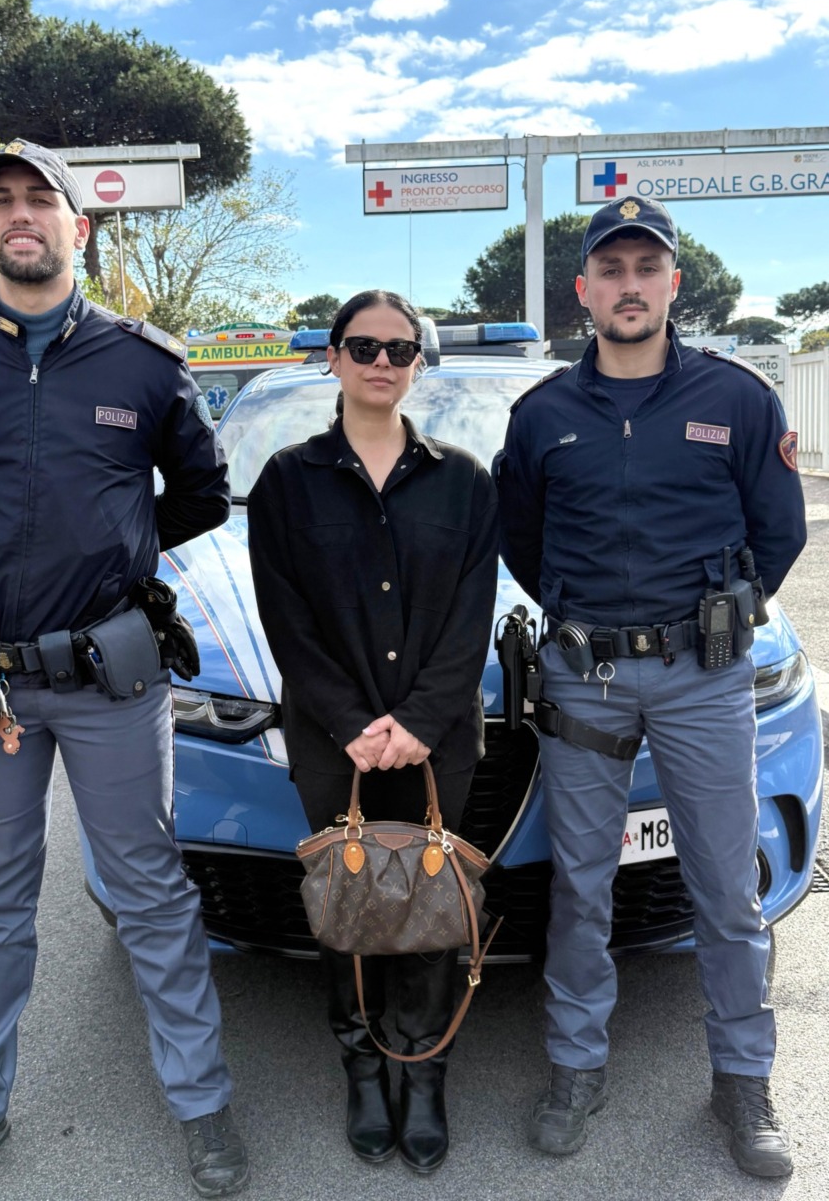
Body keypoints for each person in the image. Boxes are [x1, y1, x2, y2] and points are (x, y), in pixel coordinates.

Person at [0, 140, 250, 1200]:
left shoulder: (145, 362)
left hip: (111, 681)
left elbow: (202, 495)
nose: (19, 214)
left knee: (150, 892)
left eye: (42, 199)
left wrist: (113, 550)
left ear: (82, 229)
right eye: (0, 201)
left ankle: (204, 1104)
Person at [493, 196, 807, 1178]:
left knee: (724, 882)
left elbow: (782, 531)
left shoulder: (740, 398)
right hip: (584, 681)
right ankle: (577, 1064)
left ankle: (743, 1078)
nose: (629, 285)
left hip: (705, 679)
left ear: (673, 282)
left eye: (647, 267)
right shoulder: (542, 413)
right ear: (584, 290)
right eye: (610, 269)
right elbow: (525, 543)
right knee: (581, 886)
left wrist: (709, 619)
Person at [247, 290, 498, 1173]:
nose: (382, 362)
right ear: (333, 356)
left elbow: (474, 615)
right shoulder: (287, 478)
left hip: (439, 741)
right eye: (364, 346)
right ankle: (362, 1064)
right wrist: (354, 722)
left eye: (401, 349)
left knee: (433, 906)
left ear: (419, 363)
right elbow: (285, 619)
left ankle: (423, 1067)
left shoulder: (465, 480)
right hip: (331, 737)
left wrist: (420, 721)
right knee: (348, 902)